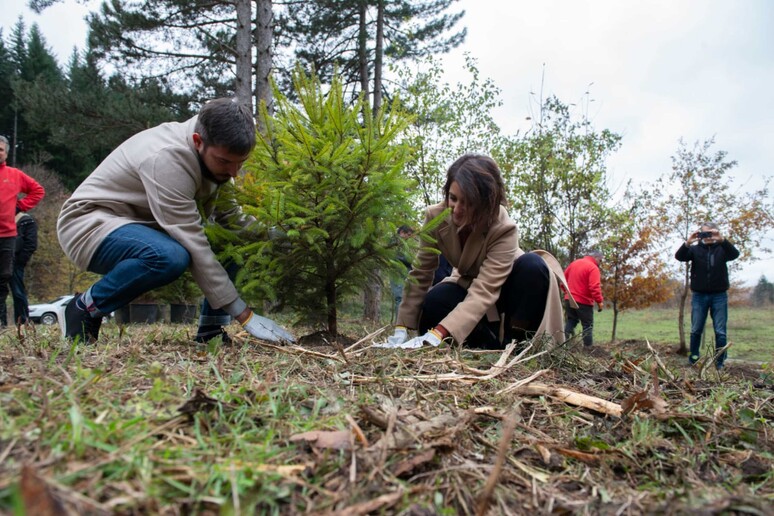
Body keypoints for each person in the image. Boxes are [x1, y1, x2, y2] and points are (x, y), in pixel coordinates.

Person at [57, 98, 294, 345]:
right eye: (225, 162)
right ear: (197, 142)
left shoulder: (214, 160)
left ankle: (211, 331)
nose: (234, 172)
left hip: (142, 227)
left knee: (230, 240)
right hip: (89, 226)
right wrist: (245, 316)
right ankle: (83, 309)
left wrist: (276, 235)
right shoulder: (167, 160)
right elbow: (193, 241)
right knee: (170, 256)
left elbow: (231, 219)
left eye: (240, 163)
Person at [379, 154, 572, 350]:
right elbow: (421, 273)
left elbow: (485, 290)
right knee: (434, 303)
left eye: (468, 203)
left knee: (533, 267)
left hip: (509, 286)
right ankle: (488, 346)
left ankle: (516, 344)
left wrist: (438, 333)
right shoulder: (435, 217)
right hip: (468, 284)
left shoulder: (504, 228)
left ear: (486, 204)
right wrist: (402, 327)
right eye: (453, 198)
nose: (457, 210)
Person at [675, 222, 739, 369]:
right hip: (699, 295)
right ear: (700, 234)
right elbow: (679, 257)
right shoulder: (695, 250)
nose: (709, 236)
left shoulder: (723, 249)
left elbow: (735, 254)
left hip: (719, 295)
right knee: (696, 329)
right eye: (705, 233)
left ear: (717, 233)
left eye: (711, 233)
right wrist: (688, 242)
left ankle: (720, 361)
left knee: (720, 331)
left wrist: (722, 240)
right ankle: (694, 358)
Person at [0, 135, 45, 328]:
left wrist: (19, 207)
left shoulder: (15, 175)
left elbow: (38, 191)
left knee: (3, 280)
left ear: (6, 154)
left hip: (7, 235)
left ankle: (1, 324)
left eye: (0, 150)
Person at [0, 209, 38, 326]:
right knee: (1, 293)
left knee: (18, 292)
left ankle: (22, 323)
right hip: (3, 261)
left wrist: (20, 261)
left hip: (16, 262)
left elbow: (31, 244)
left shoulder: (26, 220)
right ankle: (2, 324)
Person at [563, 251, 604, 347]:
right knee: (587, 325)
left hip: (569, 299)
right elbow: (594, 287)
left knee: (571, 320)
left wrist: (567, 293)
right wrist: (599, 301)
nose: (600, 263)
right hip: (583, 301)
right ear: (596, 258)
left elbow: (563, 280)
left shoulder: (574, 263)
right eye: (600, 260)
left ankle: (562, 343)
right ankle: (587, 350)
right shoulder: (593, 268)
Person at [389, 225, 414, 323]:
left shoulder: (405, 244)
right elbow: (395, 257)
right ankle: (399, 324)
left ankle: (404, 323)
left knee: (406, 298)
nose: (409, 237)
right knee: (399, 297)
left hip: (405, 273)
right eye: (408, 234)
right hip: (397, 273)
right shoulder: (394, 243)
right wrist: (411, 261)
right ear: (402, 232)